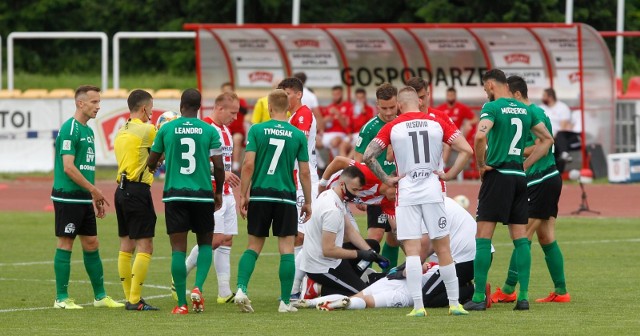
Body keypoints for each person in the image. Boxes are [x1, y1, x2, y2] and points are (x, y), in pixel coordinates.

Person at [363, 86, 474, 317]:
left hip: (408, 195)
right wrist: (451, 173)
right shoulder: (437, 122)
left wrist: (387, 178)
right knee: (443, 248)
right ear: (418, 101)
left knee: (412, 251)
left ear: (400, 105)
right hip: (434, 192)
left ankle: (418, 307)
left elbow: (368, 155)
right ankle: (455, 304)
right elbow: (466, 150)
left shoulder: (392, 126)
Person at [463, 69, 554, 312]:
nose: (486, 93)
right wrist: (524, 164)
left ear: (491, 85)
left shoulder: (492, 108)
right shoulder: (525, 110)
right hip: (518, 178)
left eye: (485, 89)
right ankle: (523, 297)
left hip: (498, 176)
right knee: (520, 238)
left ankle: (480, 296)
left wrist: (482, 165)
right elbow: (546, 140)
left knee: (483, 236)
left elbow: (480, 137)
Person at [296, 197, 484, 311]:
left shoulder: (431, 208)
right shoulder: (424, 207)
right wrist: (403, 270)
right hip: (429, 269)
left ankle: (473, 290)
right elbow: (419, 253)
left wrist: (406, 269)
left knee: (424, 298)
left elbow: (422, 253)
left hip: (461, 261)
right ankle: (309, 302)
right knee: (364, 293)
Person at [490, 76, 570, 304]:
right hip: (545, 179)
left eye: (507, 94)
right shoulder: (524, 113)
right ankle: (561, 291)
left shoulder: (534, 113)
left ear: (516, 94)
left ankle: (507, 290)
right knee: (545, 236)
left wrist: (511, 152)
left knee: (522, 235)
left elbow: (543, 145)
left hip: (541, 179)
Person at [147, 88, 225, 315]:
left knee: (178, 250)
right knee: (205, 244)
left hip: (175, 195)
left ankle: (180, 303)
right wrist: (218, 192)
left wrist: (156, 164)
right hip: (201, 194)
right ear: (200, 107)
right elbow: (219, 167)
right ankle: (198, 288)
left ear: (181, 105)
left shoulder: (167, 128)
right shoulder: (209, 130)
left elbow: (152, 160)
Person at [234, 89, 312, 313]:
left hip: (260, 194)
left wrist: (243, 194)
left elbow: (248, 164)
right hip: (285, 196)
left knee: (253, 246)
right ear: (288, 108)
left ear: (268, 107)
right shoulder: (297, 134)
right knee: (286, 248)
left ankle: (241, 289)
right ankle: (285, 302)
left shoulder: (257, 130)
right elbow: (305, 172)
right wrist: (307, 201)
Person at [51, 85, 123, 309]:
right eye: (93, 102)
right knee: (66, 243)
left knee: (92, 243)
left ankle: (100, 297)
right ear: (80, 103)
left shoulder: (89, 131)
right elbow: (69, 168)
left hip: (83, 198)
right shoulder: (70, 129)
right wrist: (94, 190)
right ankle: (61, 298)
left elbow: (85, 168)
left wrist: (94, 196)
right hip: (68, 197)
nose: (98, 106)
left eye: (99, 102)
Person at [183, 92, 241, 304]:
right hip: (211, 191)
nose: (235, 117)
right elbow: (196, 161)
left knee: (227, 240)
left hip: (226, 193)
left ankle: (224, 292)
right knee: (214, 240)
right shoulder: (204, 129)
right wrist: (221, 173)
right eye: (232, 113)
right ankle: (181, 272)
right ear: (219, 108)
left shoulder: (225, 130)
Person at [300, 166, 388, 297]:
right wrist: (359, 254)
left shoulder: (333, 195)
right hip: (322, 267)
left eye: (359, 190)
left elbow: (350, 231)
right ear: (342, 185)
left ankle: (350, 282)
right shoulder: (332, 210)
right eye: (354, 190)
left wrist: (371, 253)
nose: (356, 194)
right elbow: (328, 250)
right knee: (364, 296)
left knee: (373, 245)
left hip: (331, 261)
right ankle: (315, 288)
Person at [114, 89, 159, 311]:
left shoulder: (122, 129)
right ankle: (134, 300)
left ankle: (129, 298)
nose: (151, 112)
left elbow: (144, 158)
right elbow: (161, 152)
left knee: (126, 245)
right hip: (137, 191)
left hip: (120, 191)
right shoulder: (148, 129)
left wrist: (151, 164)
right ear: (144, 109)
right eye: (151, 108)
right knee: (145, 245)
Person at [353, 83, 400, 272]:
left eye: (392, 107)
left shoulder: (403, 123)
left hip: (398, 188)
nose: (389, 112)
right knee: (377, 233)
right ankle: (360, 274)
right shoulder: (370, 128)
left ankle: (389, 277)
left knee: (395, 236)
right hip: (377, 190)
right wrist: (359, 193)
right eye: (384, 108)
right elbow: (357, 161)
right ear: (377, 105)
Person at [277, 78, 319, 257]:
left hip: (304, 177)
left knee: (301, 234)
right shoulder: (292, 117)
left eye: (286, 94)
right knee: (296, 233)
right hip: (295, 177)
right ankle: (300, 283)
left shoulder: (303, 114)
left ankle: (299, 284)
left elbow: (297, 144)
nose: (283, 99)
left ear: (299, 94)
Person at [221, 82, 249, 174]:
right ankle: (222, 165)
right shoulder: (220, 103)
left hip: (237, 131)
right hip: (224, 130)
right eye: (225, 91)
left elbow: (245, 111)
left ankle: (236, 166)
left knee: (236, 139)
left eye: (229, 90)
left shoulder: (240, 101)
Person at [340, 88, 374, 157]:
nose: (360, 100)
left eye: (361, 98)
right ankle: (343, 163)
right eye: (358, 98)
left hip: (363, 135)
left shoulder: (369, 109)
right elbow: (349, 124)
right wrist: (349, 133)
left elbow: (370, 125)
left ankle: (346, 165)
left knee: (356, 146)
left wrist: (364, 112)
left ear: (365, 98)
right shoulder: (352, 109)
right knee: (342, 145)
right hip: (353, 134)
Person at [320, 85, 351, 159]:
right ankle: (321, 166)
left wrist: (338, 114)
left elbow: (346, 126)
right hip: (328, 133)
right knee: (312, 141)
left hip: (341, 133)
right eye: (334, 94)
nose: (335, 96)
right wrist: (324, 121)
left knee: (334, 142)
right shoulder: (329, 107)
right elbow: (321, 125)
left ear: (341, 94)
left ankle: (337, 164)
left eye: (337, 94)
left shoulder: (348, 106)